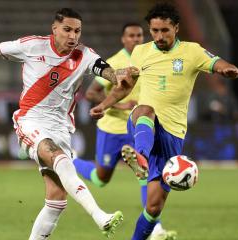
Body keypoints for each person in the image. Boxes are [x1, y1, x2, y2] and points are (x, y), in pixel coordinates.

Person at [0, 8, 137, 239]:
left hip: (61, 128)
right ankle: (100, 216)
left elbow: (106, 71)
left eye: (77, 31)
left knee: (57, 201)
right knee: (59, 159)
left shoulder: (85, 55)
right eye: (67, 30)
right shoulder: (32, 46)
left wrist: (120, 75)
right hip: (31, 121)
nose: (73, 36)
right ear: (54, 29)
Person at [90, 3, 238, 239]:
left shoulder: (192, 51)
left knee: (153, 207)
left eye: (164, 31)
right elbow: (125, 86)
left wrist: (227, 69)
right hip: (144, 124)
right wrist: (104, 104)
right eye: (155, 31)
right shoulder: (141, 52)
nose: (159, 36)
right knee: (145, 110)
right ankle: (141, 157)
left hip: (173, 135)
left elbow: (216, 62)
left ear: (176, 28)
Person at [73, 22, 175, 239]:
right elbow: (92, 94)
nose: (136, 39)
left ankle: (156, 229)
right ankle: (70, 160)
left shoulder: (149, 58)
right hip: (111, 128)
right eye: (131, 35)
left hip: (137, 127)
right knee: (101, 179)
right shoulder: (115, 62)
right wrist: (120, 105)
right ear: (123, 39)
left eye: (139, 35)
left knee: (146, 175)